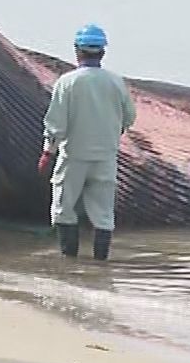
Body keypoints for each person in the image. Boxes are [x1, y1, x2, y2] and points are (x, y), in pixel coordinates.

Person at [39, 23, 137, 261]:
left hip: (74, 156)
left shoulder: (67, 82)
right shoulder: (116, 82)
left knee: (64, 209)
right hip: (106, 157)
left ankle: (69, 263)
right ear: (102, 51)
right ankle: (101, 264)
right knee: (103, 213)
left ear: (77, 50)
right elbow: (129, 118)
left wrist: (47, 153)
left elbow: (56, 123)